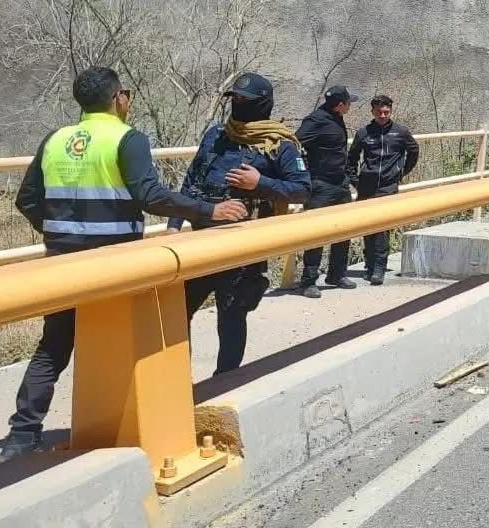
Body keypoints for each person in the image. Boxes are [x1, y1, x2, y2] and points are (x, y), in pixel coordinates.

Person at [0, 67, 248, 464]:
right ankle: (127, 427)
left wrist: (58, 231)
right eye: (126, 93)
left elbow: (27, 199)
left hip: (62, 261)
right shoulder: (127, 138)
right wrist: (209, 209)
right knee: (133, 342)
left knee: (54, 346)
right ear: (118, 99)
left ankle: (21, 438)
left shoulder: (55, 139)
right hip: (116, 263)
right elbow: (150, 195)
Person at [170, 72, 311, 373]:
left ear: (263, 104)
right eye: (234, 98)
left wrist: (260, 183)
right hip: (200, 242)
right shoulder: (216, 135)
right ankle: (179, 382)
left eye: (245, 101)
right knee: (176, 314)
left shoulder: (279, 145)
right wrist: (173, 226)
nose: (237, 104)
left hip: (243, 249)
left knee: (231, 315)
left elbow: (302, 188)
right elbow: (191, 181)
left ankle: (224, 381)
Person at [347, 95, 419, 285]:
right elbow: (351, 159)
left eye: (386, 112)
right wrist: (356, 181)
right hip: (366, 188)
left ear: (391, 111)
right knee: (367, 227)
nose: (383, 115)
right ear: (372, 111)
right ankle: (369, 266)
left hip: (388, 187)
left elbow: (414, 152)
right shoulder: (364, 133)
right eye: (379, 112)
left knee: (382, 228)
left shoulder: (401, 132)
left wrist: (401, 173)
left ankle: (379, 268)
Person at [297, 85, 360, 297]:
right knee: (316, 232)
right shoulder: (315, 120)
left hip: (340, 183)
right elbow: (294, 144)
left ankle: (337, 273)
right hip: (320, 185)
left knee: (343, 229)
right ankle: (308, 281)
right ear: (341, 105)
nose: (351, 105)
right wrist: (304, 172)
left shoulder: (336, 117)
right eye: (349, 102)